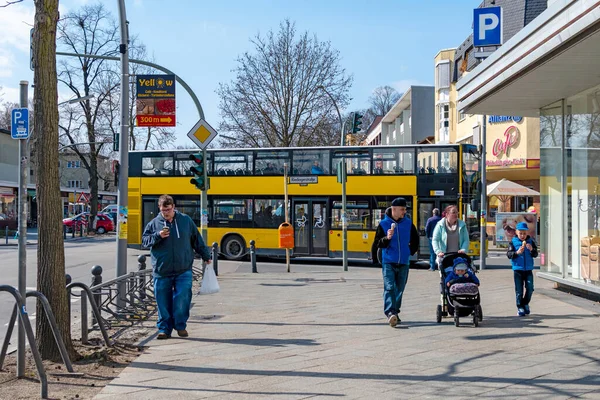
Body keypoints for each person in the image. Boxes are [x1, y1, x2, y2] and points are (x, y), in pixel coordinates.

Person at [142, 194, 211, 339]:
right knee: (162, 301)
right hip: (162, 270)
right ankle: (164, 329)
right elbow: (145, 241)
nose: (165, 213)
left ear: (173, 207)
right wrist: (158, 235)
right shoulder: (154, 224)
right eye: (163, 210)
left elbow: (196, 239)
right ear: (159, 208)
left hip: (183, 268)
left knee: (182, 298)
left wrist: (206, 255)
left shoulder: (185, 221)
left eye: (168, 210)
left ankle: (180, 326)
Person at [373, 197, 419, 327]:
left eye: (405, 209)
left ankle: (395, 312)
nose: (404, 212)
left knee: (400, 289)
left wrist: (409, 251)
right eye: (402, 209)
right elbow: (377, 243)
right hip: (388, 261)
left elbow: (415, 240)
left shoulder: (409, 223)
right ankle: (390, 312)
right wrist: (387, 238)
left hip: (404, 262)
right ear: (394, 209)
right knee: (389, 287)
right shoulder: (383, 224)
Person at [507, 221, 538, 316]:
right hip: (518, 269)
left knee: (530, 288)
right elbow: (509, 255)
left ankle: (525, 303)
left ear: (527, 233)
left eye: (524, 233)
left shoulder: (531, 242)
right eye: (520, 233)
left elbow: (535, 254)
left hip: (528, 269)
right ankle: (520, 307)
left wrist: (532, 249)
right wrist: (517, 253)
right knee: (519, 291)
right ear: (516, 232)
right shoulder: (513, 242)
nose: (522, 235)